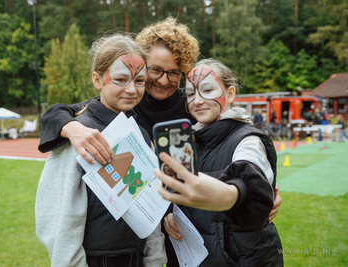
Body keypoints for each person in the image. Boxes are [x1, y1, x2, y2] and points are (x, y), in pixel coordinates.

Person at [37, 16, 282, 267]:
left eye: (174, 72)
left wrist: (259, 190)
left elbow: (233, 147)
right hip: (122, 237)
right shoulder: (125, 99)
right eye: (155, 70)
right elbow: (61, 112)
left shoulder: (190, 106)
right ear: (142, 65)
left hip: (175, 233)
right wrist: (70, 128)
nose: (163, 80)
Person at [35, 33, 167, 267]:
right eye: (120, 79)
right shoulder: (77, 134)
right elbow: (59, 220)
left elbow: (149, 201)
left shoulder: (141, 134)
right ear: (97, 79)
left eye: (139, 81)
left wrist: (155, 259)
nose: (131, 89)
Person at [154, 59, 283, 266]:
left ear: (230, 94)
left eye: (207, 90)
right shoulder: (189, 141)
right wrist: (170, 215)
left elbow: (250, 175)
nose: (197, 100)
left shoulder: (248, 139)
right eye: (190, 94)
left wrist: (235, 194)